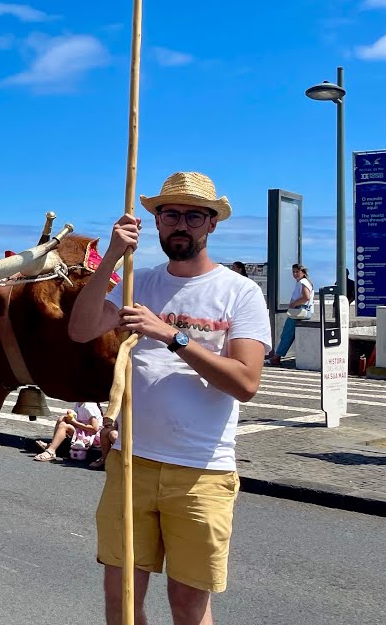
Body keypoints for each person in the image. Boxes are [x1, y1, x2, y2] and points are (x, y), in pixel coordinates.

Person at [67, 172, 270, 625]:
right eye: (170, 214)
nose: (181, 224)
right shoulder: (140, 283)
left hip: (202, 472)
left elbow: (245, 383)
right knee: (120, 599)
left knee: (188, 606)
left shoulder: (241, 293)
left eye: (193, 215)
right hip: (130, 464)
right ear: (155, 222)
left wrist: (172, 335)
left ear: (211, 224)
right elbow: (80, 329)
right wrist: (112, 259)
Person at [267, 263, 313, 367]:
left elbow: (306, 297)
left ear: (303, 272)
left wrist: (294, 304)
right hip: (305, 311)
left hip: (298, 311)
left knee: (286, 334)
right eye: (294, 272)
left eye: (297, 271)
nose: (295, 274)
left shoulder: (302, 282)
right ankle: (277, 356)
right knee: (289, 334)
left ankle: (277, 357)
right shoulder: (306, 282)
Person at [33, 401, 104, 466]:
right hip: (83, 431)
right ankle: (52, 445)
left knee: (64, 426)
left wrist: (74, 422)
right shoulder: (79, 403)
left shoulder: (89, 406)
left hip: (92, 436)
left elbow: (95, 429)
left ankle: (51, 451)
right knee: (62, 419)